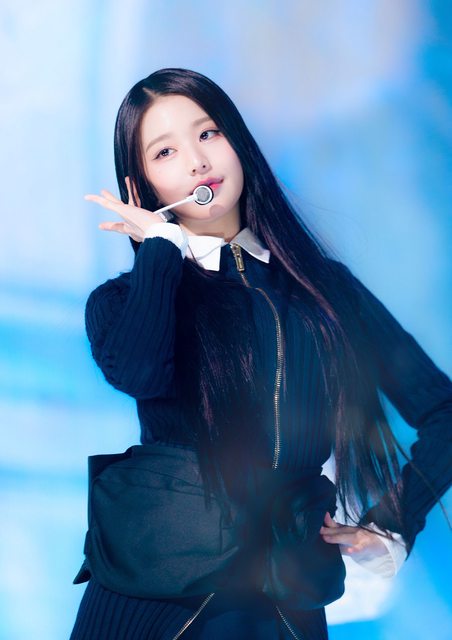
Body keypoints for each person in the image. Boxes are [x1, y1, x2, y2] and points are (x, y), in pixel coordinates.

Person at [70, 68, 452, 640]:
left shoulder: (327, 291)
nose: (197, 161)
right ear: (142, 185)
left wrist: (392, 523)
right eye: (165, 151)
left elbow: (444, 410)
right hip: (150, 598)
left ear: (238, 141)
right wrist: (161, 252)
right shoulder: (121, 301)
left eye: (209, 133)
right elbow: (140, 371)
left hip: (283, 601)